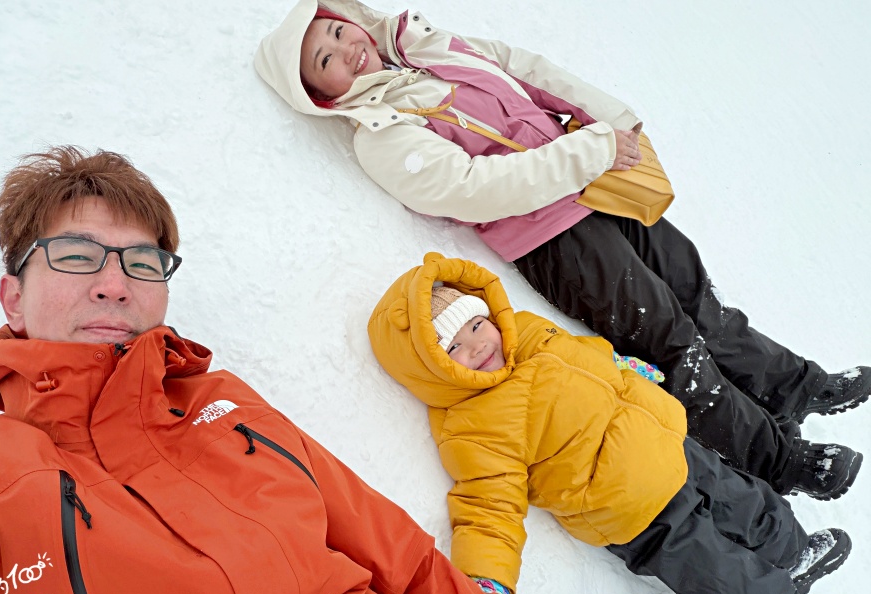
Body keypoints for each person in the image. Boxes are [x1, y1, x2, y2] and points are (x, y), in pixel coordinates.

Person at [0, 147, 569, 594]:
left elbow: (411, 567)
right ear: (13, 299)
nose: (115, 284)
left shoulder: (227, 405)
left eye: (141, 262)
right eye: (77, 255)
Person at [254, 0, 869, 500]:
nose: (345, 49)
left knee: (699, 301)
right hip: (553, 235)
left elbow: (524, 69)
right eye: (325, 60)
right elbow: (474, 190)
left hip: (597, 184)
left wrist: (607, 119)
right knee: (672, 342)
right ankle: (785, 464)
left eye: (335, 30)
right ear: (324, 96)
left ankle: (796, 388)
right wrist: (587, 152)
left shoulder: (424, 42)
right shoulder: (382, 136)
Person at [366, 251, 852, 594]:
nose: (478, 344)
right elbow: (487, 503)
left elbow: (583, 352)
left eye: (476, 324)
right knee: (733, 586)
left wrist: (622, 367)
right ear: (437, 372)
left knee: (751, 503)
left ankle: (792, 555)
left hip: (667, 440)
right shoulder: (471, 423)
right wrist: (487, 578)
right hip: (637, 512)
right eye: (455, 349)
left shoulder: (526, 333)